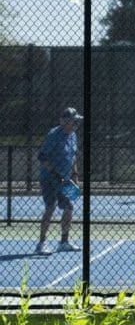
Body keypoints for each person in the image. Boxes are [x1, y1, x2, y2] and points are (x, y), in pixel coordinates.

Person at [35, 107, 83, 255]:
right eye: (74, 121)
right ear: (65, 121)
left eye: (77, 121)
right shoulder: (54, 135)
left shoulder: (73, 135)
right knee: (50, 207)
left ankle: (64, 241)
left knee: (68, 208)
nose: (76, 123)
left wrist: (75, 175)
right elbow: (42, 157)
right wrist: (56, 175)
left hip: (65, 180)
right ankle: (41, 243)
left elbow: (73, 156)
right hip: (49, 178)